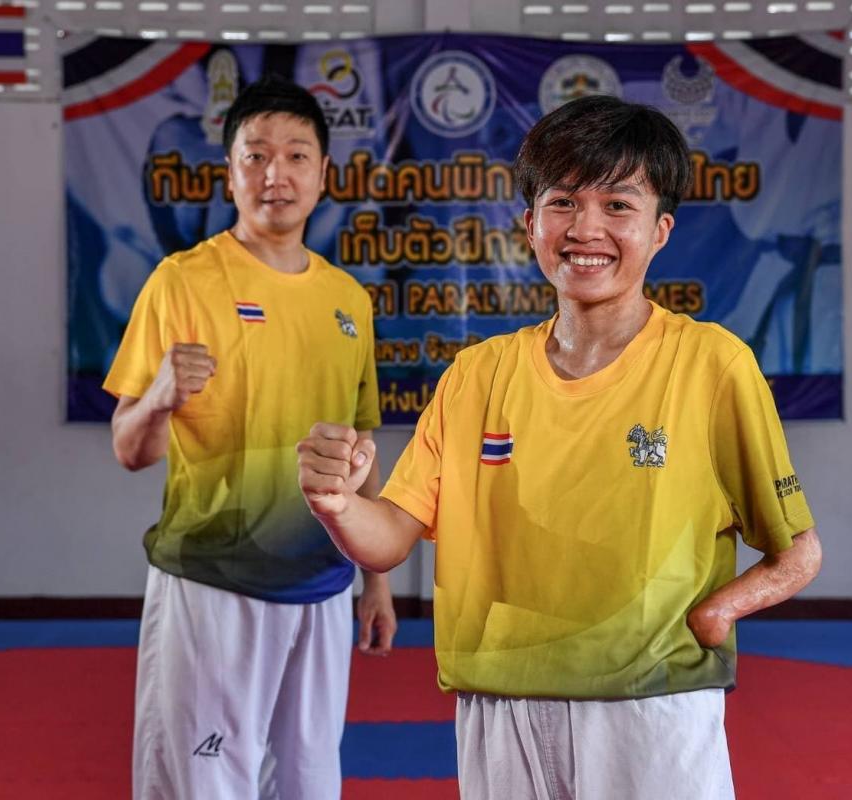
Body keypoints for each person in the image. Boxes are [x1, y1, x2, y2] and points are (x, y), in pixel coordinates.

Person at [296, 94, 822, 799]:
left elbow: (798, 550)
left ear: (661, 229)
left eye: (618, 205)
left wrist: (716, 612)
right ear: (530, 223)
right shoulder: (476, 375)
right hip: (498, 703)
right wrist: (334, 502)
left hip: (654, 705)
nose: (587, 228)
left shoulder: (713, 365)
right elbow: (390, 535)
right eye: (564, 202)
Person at [104, 74, 396, 800]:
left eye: (297, 155)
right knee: (206, 784)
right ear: (229, 173)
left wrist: (377, 580)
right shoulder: (181, 282)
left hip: (323, 587)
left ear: (324, 175)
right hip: (212, 582)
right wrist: (161, 400)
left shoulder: (347, 300)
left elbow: (362, 444)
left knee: (309, 782)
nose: (277, 173)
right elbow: (128, 448)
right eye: (257, 155)